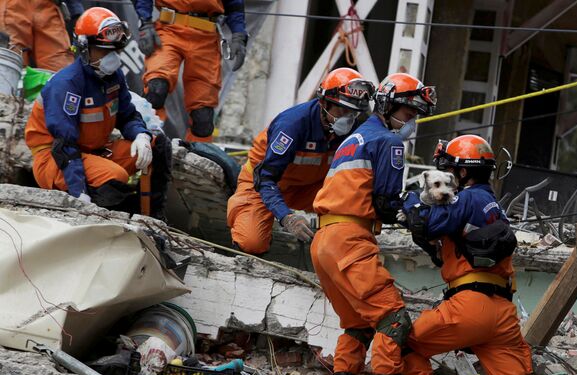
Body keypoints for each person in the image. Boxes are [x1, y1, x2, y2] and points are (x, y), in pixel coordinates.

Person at [310, 73, 437, 375]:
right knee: (392, 319)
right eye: (409, 115)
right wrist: (416, 208)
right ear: (389, 106)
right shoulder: (391, 143)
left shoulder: (353, 138)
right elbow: (385, 203)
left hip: (324, 241)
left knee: (357, 324)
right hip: (351, 238)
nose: (411, 123)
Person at [399, 135, 544, 375]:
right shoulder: (493, 206)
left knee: (405, 346)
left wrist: (411, 201)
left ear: (462, 172)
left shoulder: (466, 198)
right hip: (502, 315)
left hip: (469, 305)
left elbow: (428, 223)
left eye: (448, 170)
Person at [25, 7, 171, 219]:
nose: (111, 57)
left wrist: (141, 135)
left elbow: (127, 116)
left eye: (114, 51)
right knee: (115, 177)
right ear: (85, 48)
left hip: (95, 152)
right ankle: (110, 215)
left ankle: (151, 215)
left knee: (158, 144)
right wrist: (79, 194)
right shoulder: (67, 85)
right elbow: (64, 146)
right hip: (55, 159)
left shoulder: (113, 77)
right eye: (104, 50)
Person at [227, 68, 375, 255]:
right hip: (262, 184)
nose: (348, 119)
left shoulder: (353, 130)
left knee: (354, 206)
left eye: (353, 113)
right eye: (343, 110)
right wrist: (286, 217)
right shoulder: (292, 125)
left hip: (309, 189)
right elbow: (265, 179)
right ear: (323, 102)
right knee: (251, 242)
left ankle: (341, 253)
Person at [132, 0, 247, 142]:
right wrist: (145, 23)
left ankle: (197, 160)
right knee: (156, 89)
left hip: (207, 36)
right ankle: (145, 143)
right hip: (169, 29)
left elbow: (235, 4)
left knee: (203, 118)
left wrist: (239, 35)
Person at [0, 0, 82, 71]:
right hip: (13, 7)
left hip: (48, 6)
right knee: (11, 66)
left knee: (59, 69)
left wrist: (75, 10)